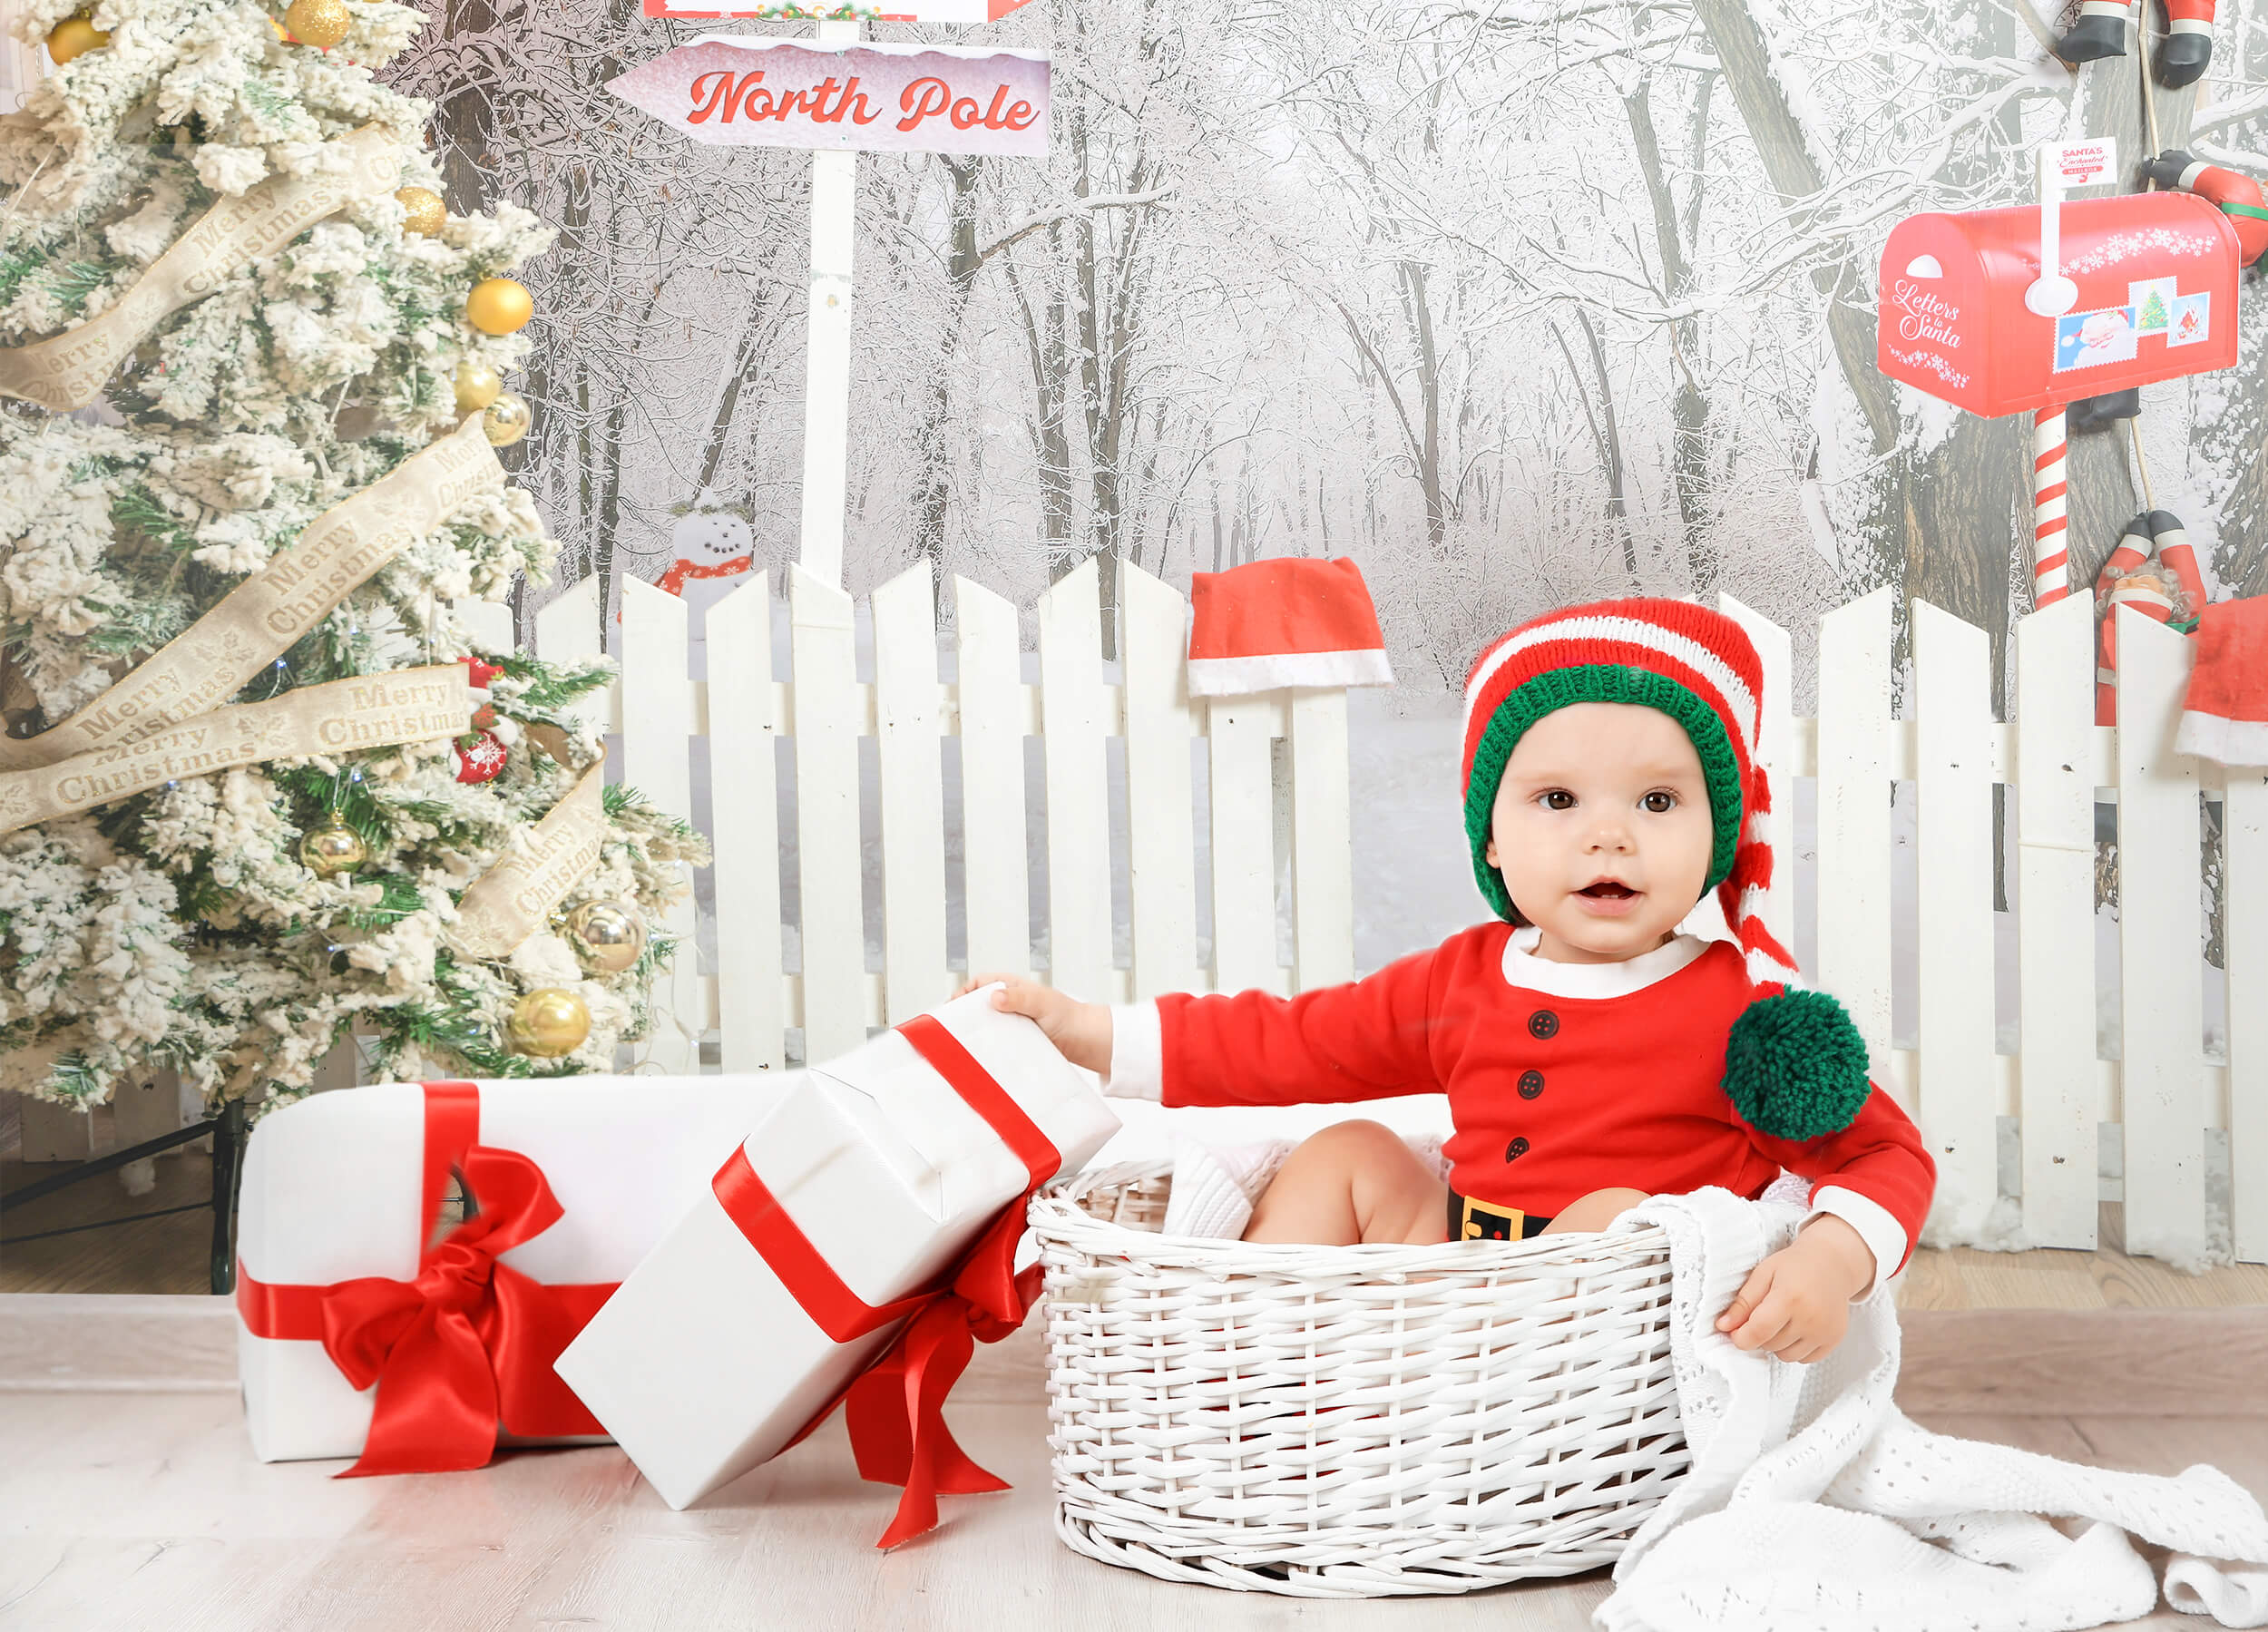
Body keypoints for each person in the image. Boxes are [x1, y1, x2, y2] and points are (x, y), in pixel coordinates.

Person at [966, 597, 1936, 1366]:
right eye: (1556, 799)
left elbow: (1889, 1156)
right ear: (1492, 840)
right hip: (1453, 1275)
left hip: (1601, 1340)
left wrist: (1827, 1256)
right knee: (1350, 1146)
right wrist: (1090, 1030)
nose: (1609, 832)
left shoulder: (1743, 1012)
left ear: (1717, 831)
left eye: (1657, 798)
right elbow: (1295, 1038)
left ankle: (1464, 1406)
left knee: (1608, 1218)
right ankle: (1251, 1367)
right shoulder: (1465, 976)